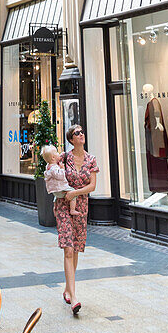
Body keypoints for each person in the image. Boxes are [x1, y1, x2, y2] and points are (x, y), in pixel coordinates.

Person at [54, 124, 98, 316]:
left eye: (82, 132)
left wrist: (75, 193)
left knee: (77, 248)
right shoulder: (64, 157)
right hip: (63, 205)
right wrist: (65, 192)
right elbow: (52, 170)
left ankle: (67, 289)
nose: (81, 135)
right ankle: (74, 298)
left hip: (81, 207)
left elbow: (92, 186)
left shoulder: (91, 159)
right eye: (76, 133)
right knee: (69, 249)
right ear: (71, 139)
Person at [41, 144, 80, 216]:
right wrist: (62, 168)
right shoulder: (54, 168)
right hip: (60, 189)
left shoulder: (48, 166)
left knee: (56, 197)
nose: (59, 154)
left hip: (55, 190)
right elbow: (60, 176)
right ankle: (72, 210)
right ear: (53, 158)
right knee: (73, 193)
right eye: (57, 153)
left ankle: (55, 207)